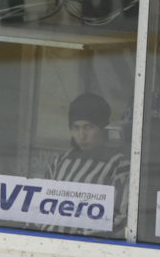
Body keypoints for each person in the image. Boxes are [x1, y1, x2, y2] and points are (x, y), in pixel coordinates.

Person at [43, 92, 129, 235]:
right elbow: (37, 206)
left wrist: (81, 241)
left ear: (102, 128)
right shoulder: (61, 161)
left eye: (88, 127)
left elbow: (120, 219)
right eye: (76, 128)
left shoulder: (120, 166)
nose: (81, 136)